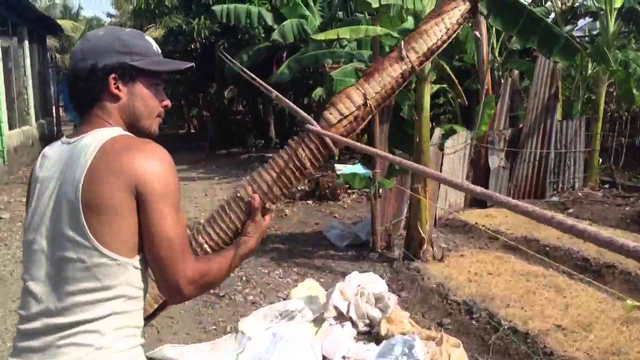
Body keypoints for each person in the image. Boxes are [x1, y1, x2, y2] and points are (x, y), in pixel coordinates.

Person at [9, 26, 272, 359]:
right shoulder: (143, 158)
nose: (167, 100)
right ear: (116, 85)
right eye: (156, 85)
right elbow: (180, 284)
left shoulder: (46, 160)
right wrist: (244, 246)